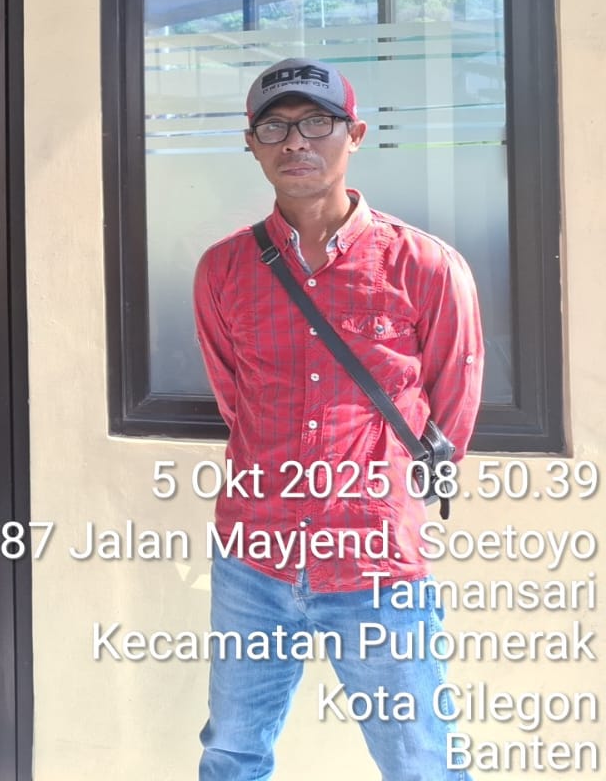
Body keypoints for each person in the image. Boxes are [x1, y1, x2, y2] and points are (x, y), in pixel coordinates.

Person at [193, 57, 483, 781]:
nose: (295, 142)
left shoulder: (424, 266)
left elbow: (450, 412)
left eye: (316, 123)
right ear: (251, 145)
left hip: (376, 561)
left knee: (421, 763)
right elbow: (235, 402)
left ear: (353, 135)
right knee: (231, 755)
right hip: (252, 561)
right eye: (274, 127)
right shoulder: (223, 270)